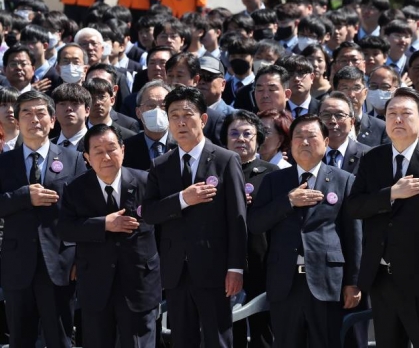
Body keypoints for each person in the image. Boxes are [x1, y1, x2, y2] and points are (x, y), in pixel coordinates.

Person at [346, 87, 419, 348]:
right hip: (383, 278)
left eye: (405, 113)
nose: (397, 119)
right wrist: (391, 194)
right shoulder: (372, 158)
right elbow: (354, 207)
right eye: (392, 114)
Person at [141, 86, 247, 347]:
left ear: (203, 119)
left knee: (217, 339)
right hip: (176, 270)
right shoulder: (161, 164)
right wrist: (182, 199)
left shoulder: (225, 159)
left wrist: (235, 268)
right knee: (181, 338)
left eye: (187, 115)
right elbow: (150, 213)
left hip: (215, 268)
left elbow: (237, 218)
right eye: (173, 115)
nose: (180, 122)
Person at [249, 114, 361, 348]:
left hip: (327, 281)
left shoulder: (344, 180)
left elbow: (354, 236)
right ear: (290, 143)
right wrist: (288, 201)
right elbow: (256, 223)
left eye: (312, 136)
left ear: (326, 141)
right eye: (299, 137)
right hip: (285, 282)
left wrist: (352, 282)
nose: (305, 142)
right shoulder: (274, 180)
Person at [58, 124, 160, 348]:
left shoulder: (146, 182)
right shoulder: (75, 189)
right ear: (87, 157)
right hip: (96, 284)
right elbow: (65, 228)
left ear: (123, 150)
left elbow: (162, 226)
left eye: (112, 148)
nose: (106, 156)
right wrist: (104, 224)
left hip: (139, 283)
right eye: (98, 151)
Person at [0, 90, 87, 348]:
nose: (34, 119)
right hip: (17, 264)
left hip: (60, 263)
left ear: (52, 120)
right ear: (16, 120)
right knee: (20, 339)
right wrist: (24, 196)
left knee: (60, 338)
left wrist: (80, 256)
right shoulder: (4, 163)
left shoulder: (73, 160)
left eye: (41, 113)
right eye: (27, 113)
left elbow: (86, 211)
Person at [220, 110, 277, 348]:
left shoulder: (273, 174)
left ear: (258, 139)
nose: (240, 138)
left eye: (247, 134)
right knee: (230, 333)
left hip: (261, 263)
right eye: (234, 133)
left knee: (262, 331)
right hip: (224, 264)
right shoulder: (216, 171)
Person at [123, 80, 176, 171]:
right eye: (151, 105)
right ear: (138, 112)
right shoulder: (126, 148)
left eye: (163, 105)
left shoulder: (182, 145)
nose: (157, 110)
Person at [334, 66, 390, 147]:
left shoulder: (381, 128)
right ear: (335, 92)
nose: (351, 95)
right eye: (345, 88)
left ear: (365, 92)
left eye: (356, 88)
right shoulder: (326, 125)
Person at [319, 92, 370, 175]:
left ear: (352, 122)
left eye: (339, 115)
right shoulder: (309, 153)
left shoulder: (368, 155)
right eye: (326, 115)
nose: (332, 121)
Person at [51, 82, 91, 152]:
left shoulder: (96, 144)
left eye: (75, 104)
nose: (69, 108)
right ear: (54, 111)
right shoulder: (47, 146)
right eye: (62, 104)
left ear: (87, 111)